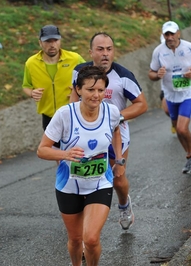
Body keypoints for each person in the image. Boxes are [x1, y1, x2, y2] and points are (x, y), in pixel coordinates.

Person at [37, 65, 125, 266]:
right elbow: (42, 150)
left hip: (99, 183)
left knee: (91, 239)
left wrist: (118, 159)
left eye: (101, 90)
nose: (96, 95)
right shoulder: (64, 115)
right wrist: (65, 154)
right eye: (90, 90)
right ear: (78, 89)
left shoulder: (111, 112)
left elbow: (116, 130)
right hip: (69, 185)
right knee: (76, 240)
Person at [70, 32, 148, 230]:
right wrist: (70, 122)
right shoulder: (79, 71)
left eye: (109, 49)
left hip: (115, 136)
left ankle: (123, 204)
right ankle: (84, 225)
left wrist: (116, 117)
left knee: (118, 180)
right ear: (91, 52)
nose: (105, 54)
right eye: (100, 49)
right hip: (85, 135)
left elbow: (141, 104)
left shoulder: (123, 76)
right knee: (83, 178)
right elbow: (73, 96)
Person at [148, 21, 191, 174]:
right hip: (170, 94)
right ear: (163, 35)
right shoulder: (158, 51)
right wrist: (157, 75)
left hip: (188, 93)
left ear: (178, 33)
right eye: (166, 34)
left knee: (182, 128)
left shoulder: (190, 47)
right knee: (177, 129)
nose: (169, 37)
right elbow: (151, 74)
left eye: (172, 33)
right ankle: (189, 157)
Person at [22, 24, 86, 148]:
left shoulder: (74, 59)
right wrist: (31, 93)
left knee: (78, 150)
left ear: (60, 40)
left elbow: (92, 78)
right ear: (40, 42)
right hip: (49, 117)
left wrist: (80, 91)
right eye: (48, 41)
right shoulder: (31, 63)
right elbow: (26, 85)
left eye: (55, 40)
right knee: (58, 153)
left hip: (73, 113)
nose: (52, 45)